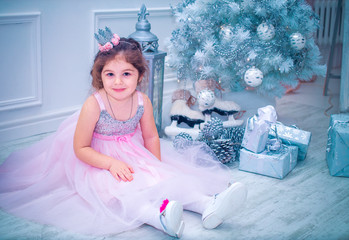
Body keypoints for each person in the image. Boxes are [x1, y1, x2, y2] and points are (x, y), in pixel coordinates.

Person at [0, 27, 247, 238]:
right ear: (100, 76)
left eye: (126, 74)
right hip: (97, 159)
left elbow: (151, 136)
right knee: (119, 191)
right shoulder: (94, 104)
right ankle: (158, 217)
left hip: (132, 151)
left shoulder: (142, 102)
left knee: (165, 180)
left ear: (140, 75)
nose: (118, 82)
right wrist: (110, 164)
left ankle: (207, 206)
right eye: (110, 74)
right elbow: (80, 148)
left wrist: (156, 165)